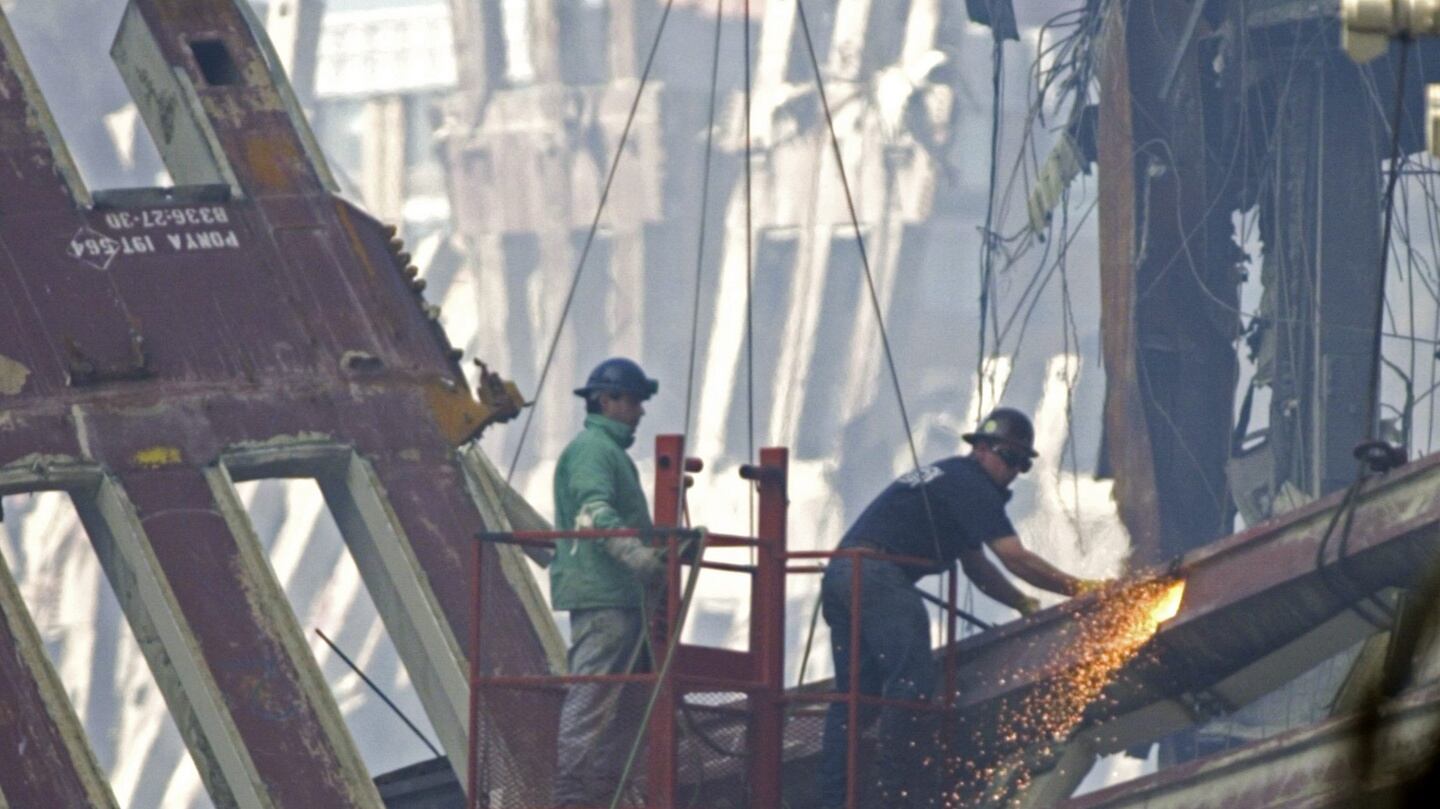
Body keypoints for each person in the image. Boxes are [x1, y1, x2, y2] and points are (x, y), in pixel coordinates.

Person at [818, 407, 1107, 809]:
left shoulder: (951, 480)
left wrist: (1021, 602)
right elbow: (1014, 557)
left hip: (843, 575)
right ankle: (896, 791)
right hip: (877, 577)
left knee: (856, 694)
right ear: (983, 449)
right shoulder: (972, 485)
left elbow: (977, 566)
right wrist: (1079, 589)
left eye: (1022, 465)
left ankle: (835, 798)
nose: (1014, 471)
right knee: (913, 679)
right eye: (1011, 459)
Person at [550, 357, 666, 807]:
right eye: (633, 400)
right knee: (594, 694)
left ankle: (604, 792)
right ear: (606, 399)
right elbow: (592, 512)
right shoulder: (593, 450)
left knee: (629, 701)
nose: (639, 411)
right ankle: (573, 795)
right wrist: (638, 556)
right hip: (605, 597)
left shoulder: (609, 452)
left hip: (623, 598)